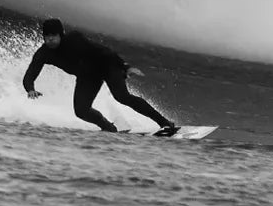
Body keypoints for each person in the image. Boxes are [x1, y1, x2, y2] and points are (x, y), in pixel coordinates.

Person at [21, 15, 181, 138]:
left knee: (122, 97)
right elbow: (30, 74)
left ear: (61, 34)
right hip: (87, 77)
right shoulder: (43, 53)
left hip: (107, 66)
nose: (50, 39)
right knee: (81, 110)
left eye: (53, 36)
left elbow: (102, 51)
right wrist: (30, 89)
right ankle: (109, 128)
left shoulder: (74, 39)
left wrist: (125, 67)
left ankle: (165, 124)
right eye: (47, 36)